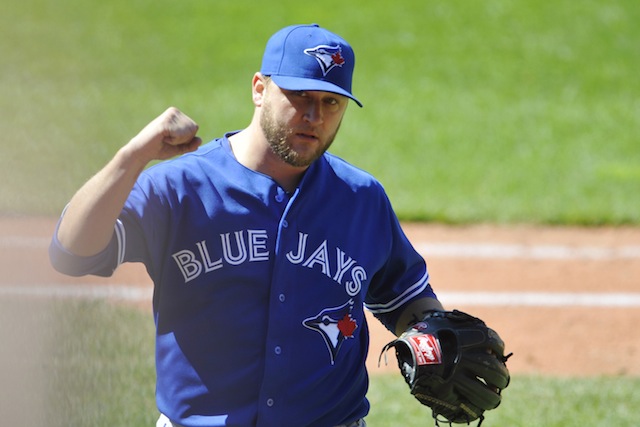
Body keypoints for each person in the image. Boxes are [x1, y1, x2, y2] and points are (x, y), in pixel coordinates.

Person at [49, 23, 444, 427]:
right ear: (259, 88)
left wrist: (435, 336)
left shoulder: (361, 198)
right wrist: (132, 156)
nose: (313, 116)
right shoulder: (181, 187)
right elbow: (71, 252)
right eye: (300, 96)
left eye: (331, 103)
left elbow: (407, 299)